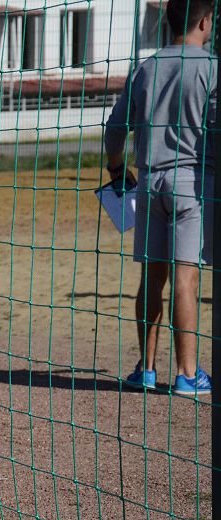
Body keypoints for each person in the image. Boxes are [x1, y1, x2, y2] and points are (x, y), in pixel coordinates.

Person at [104, 0, 216, 397]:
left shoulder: (146, 68)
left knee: (152, 277)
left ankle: (147, 369)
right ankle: (187, 373)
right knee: (186, 277)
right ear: (205, 21)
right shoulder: (211, 68)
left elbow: (114, 130)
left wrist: (117, 169)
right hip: (193, 182)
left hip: (149, 181)